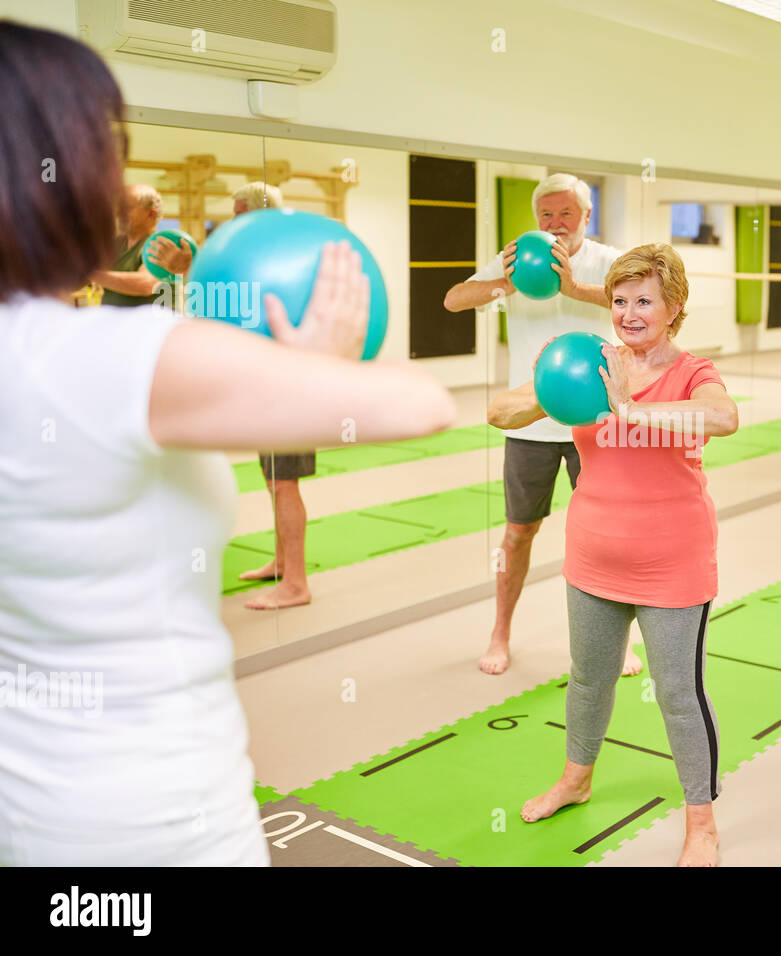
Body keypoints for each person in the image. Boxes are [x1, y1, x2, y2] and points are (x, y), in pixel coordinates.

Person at [0, 21, 457, 865]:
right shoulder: (107, 355)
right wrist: (309, 369)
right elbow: (419, 402)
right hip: (152, 822)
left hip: (26, 813)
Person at [486, 244, 738, 867]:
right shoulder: (592, 362)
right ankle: (576, 778)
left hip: (673, 562)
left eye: (643, 301)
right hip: (593, 558)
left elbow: (723, 418)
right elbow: (497, 410)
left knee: (679, 693)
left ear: (674, 308)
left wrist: (629, 408)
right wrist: (551, 393)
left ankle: (700, 822)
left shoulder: (693, 372)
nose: (628, 313)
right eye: (620, 300)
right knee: (589, 679)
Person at [445, 174, 637, 676]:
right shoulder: (517, 256)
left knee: (609, 534)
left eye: (566, 213)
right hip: (529, 425)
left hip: (594, 424)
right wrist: (503, 284)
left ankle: (622, 642)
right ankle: (500, 633)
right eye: (547, 214)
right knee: (517, 534)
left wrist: (573, 287)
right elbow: (454, 299)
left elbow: (636, 307)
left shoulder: (608, 260)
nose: (555, 224)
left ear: (586, 217)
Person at [153, 182, 320, 610]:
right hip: (269, 382)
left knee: (284, 483)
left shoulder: (279, 255)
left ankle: (297, 584)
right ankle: (283, 563)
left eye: (236, 212)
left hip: (289, 385)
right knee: (273, 479)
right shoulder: (261, 255)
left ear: (249, 212)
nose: (231, 220)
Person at [91, 183, 166, 307]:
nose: (119, 213)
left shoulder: (162, 244)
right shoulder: (114, 244)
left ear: (151, 214)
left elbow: (146, 284)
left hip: (150, 324)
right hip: (114, 323)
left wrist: (92, 274)